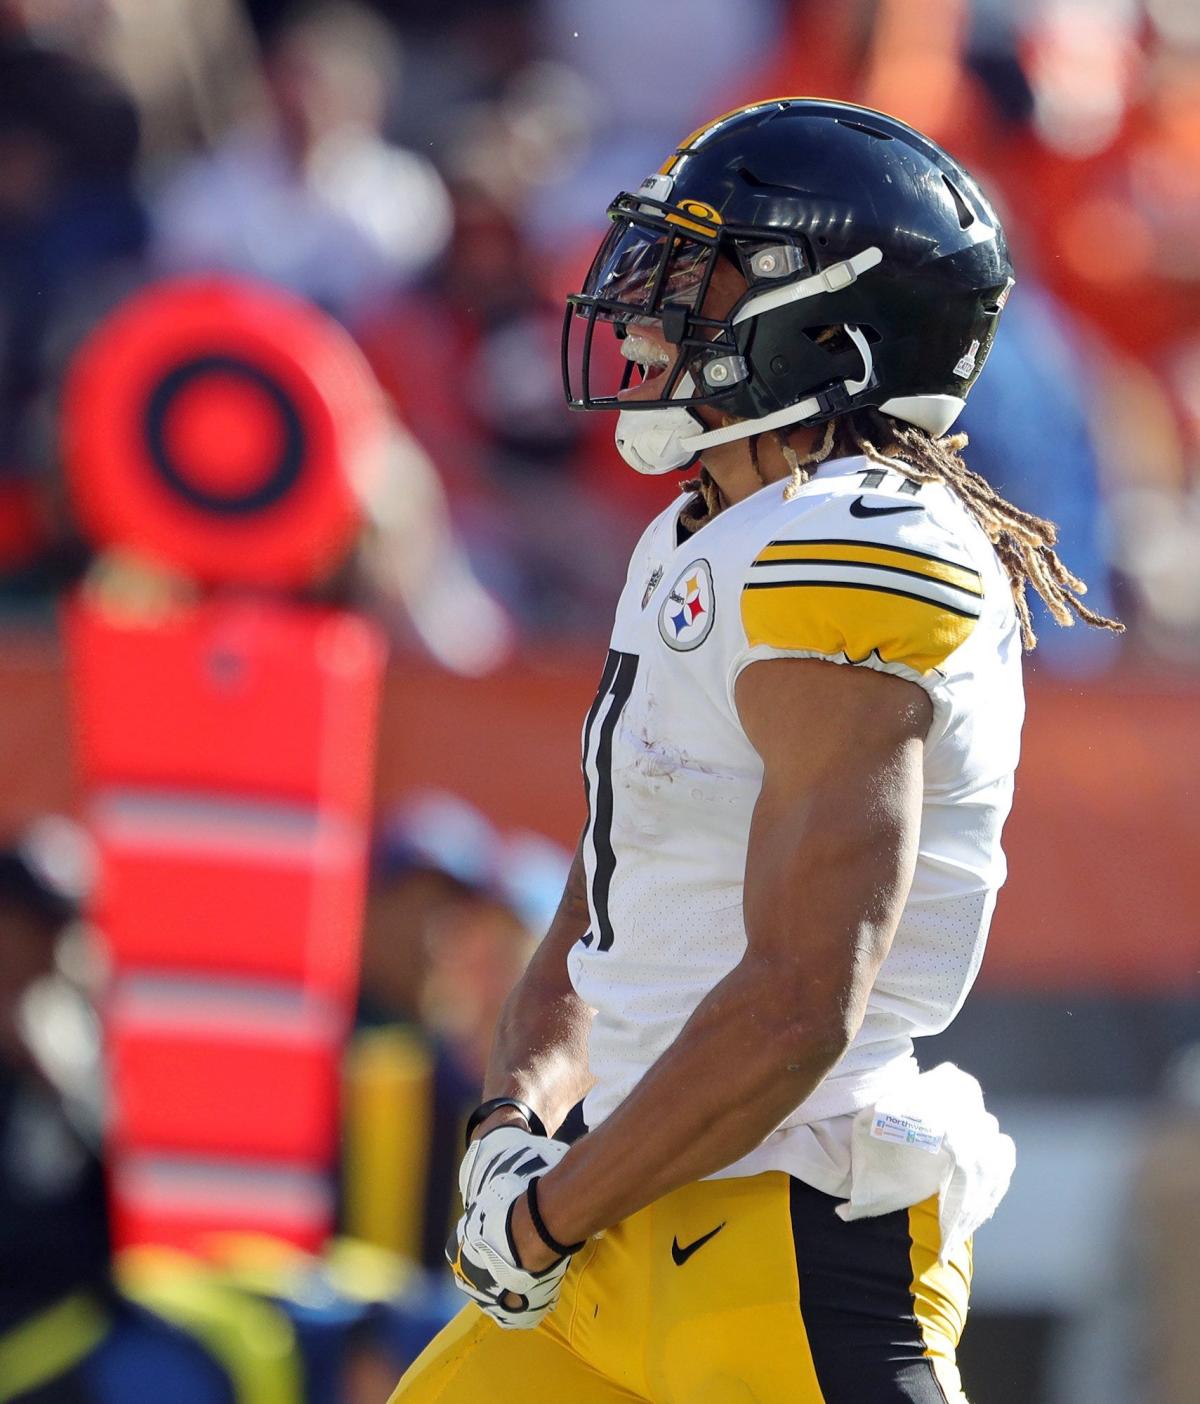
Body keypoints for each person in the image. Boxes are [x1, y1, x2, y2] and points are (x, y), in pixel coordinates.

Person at [389, 99, 1124, 1403]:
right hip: (616, 1217)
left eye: (694, 269)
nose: (637, 302)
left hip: (777, 1228)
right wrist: (517, 1117)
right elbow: (612, 889)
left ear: (822, 326)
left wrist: (546, 1215)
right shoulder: (701, 530)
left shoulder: (863, 536)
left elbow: (799, 999)